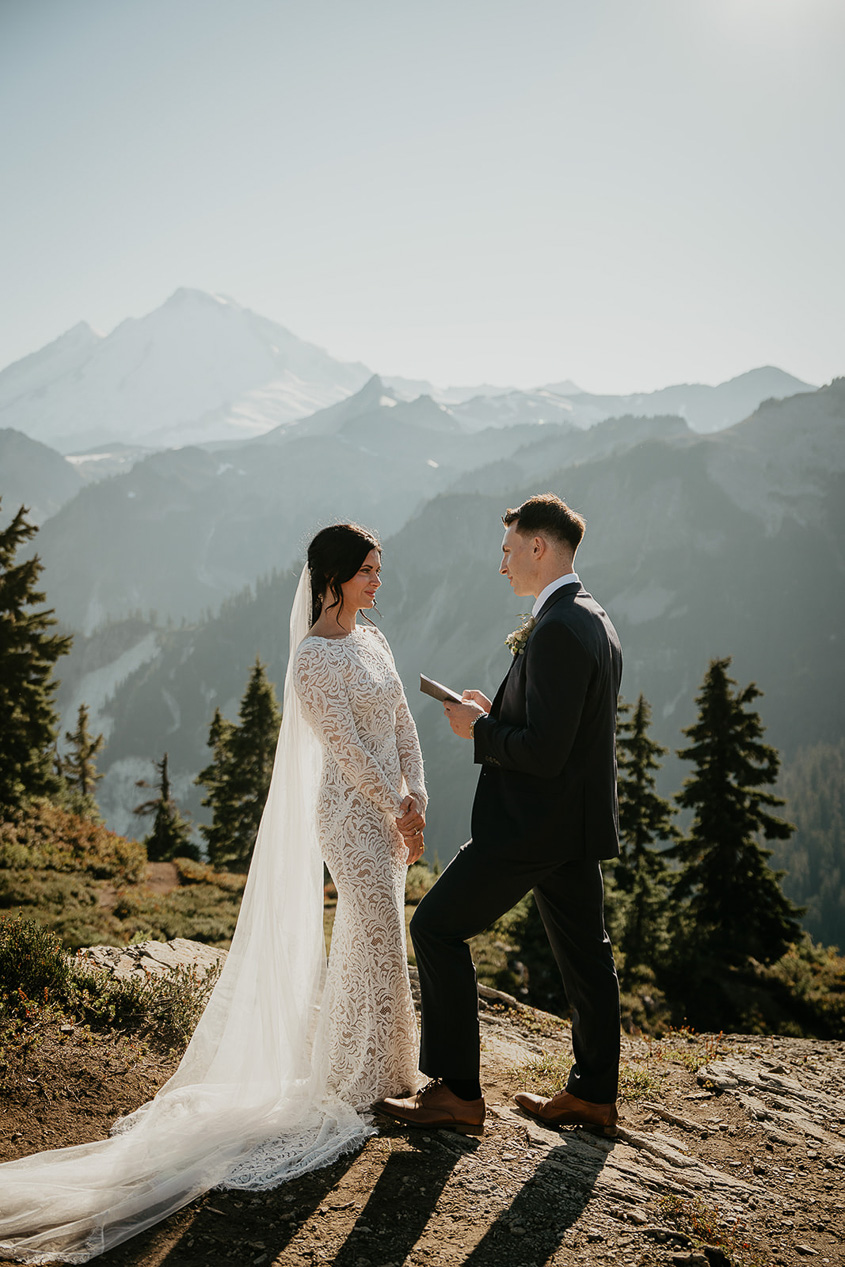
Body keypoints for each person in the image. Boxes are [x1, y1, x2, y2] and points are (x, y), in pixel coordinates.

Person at [0, 522, 426, 1264]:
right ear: (331, 579)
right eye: (366, 571)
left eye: (378, 571)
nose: (376, 583)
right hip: (352, 818)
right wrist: (395, 805)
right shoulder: (314, 658)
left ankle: (373, 1071)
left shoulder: (376, 642)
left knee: (371, 939)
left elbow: (401, 721)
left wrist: (416, 793)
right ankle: (375, 1080)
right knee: (379, 935)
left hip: (390, 813)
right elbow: (348, 748)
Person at [377, 493, 622, 1136]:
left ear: (539, 547)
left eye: (509, 550)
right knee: (585, 954)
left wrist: (480, 729)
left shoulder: (561, 628)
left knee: (435, 927)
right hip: (571, 824)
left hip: (531, 825)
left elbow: (544, 752)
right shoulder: (590, 616)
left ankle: (457, 1093)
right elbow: (558, 729)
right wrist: (499, 710)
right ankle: (594, 1095)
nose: (503, 563)